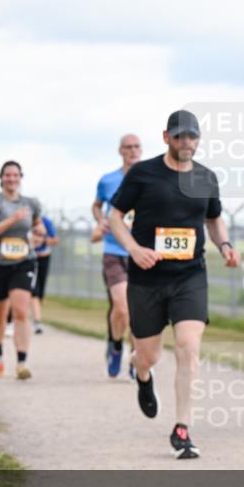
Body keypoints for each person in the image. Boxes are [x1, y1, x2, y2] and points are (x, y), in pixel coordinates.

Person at [109, 110, 240, 459]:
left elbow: (214, 220)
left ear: (199, 139)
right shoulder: (143, 173)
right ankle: (141, 373)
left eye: (192, 136)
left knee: (188, 346)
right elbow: (115, 217)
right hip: (147, 277)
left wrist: (225, 245)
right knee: (149, 355)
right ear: (166, 137)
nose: (186, 142)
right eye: (180, 136)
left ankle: (182, 429)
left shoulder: (206, 177)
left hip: (189, 275)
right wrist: (134, 249)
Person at [0, 161, 44, 380]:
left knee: (21, 311)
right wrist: (12, 220)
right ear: (1, 178)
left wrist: (39, 233)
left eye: (16, 175)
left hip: (24, 262)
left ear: (21, 178)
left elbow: (38, 225)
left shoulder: (30, 203)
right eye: (8, 175)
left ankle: (21, 363)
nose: (12, 179)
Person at [93, 134, 142, 377]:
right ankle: (115, 347)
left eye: (136, 147)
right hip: (114, 250)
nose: (132, 151)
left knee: (137, 310)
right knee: (121, 307)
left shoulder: (150, 178)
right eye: (128, 147)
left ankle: (135, 358)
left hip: (142, 252)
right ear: (120, 151)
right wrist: (101, 220)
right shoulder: (108, 180)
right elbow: (96, 205)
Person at [30, 214, 58, 334]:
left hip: (44, 258)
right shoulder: (25, 220)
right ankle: (37, 321)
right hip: (29, 258)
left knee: (40, 291)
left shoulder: (46, 221)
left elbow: (55, 240)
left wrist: (43, 238)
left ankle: (36, 316)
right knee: (34, 290)